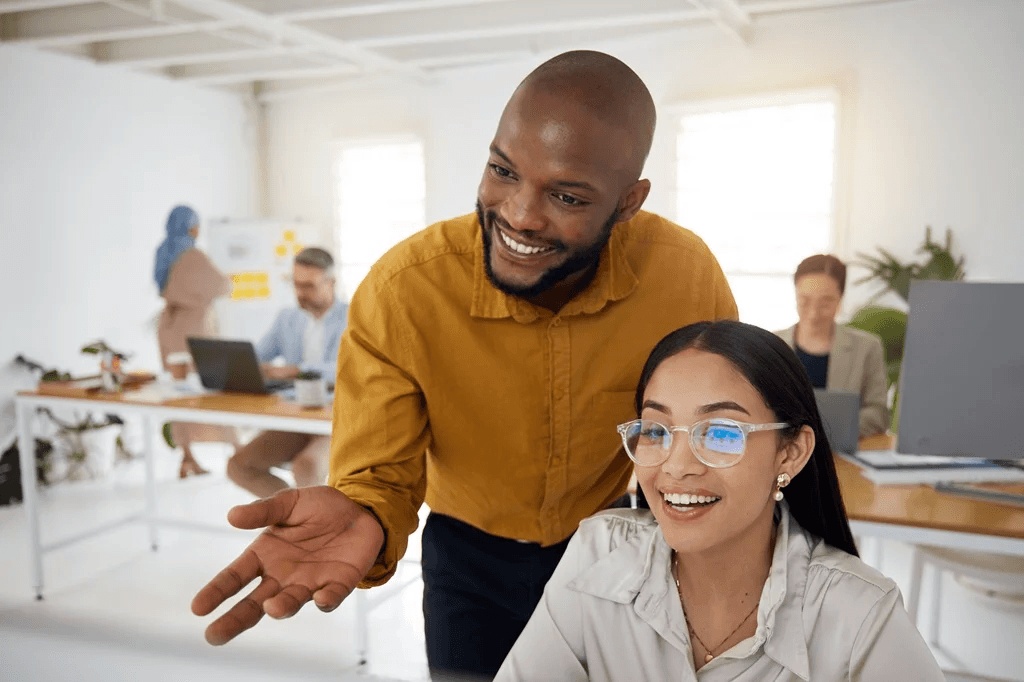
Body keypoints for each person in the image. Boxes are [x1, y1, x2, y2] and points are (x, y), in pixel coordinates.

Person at [191, 50, 737, 678]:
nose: (521, 214)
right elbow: (381, 474)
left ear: (627, 202)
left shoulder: (685, 277)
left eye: (566, 195)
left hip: (612, 547)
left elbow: (716, 433)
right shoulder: (404, 290)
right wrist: (364, 511)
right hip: (466, 561)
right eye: (503, 170)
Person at [496, 320, 945, 680]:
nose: (676, 466)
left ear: (790, 452)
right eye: (656, 430)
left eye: (722, 433)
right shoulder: (597, 553)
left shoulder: (860, 613)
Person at [225, 247, 348, 498]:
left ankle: (309, 527)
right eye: (296, 285)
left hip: (335, 419)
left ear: (331, 282)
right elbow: (258, 355)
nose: (301, 293)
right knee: (238, 466)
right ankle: (295, 516)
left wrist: (296, 371)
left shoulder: (353, 317)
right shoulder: (288, 318)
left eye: (309, 286)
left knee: (307, 467)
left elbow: (348, 370)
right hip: (296, 416)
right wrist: (243, 366)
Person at [154, 205, 238, 478]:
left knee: (179, 395)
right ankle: (239, 450)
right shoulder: (193, 256)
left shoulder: (163, 253)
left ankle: (187, 458)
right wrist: (230, 280)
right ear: (192, 227)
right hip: (195, 331)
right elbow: (222, 286)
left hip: (169, 328)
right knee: (215, 390)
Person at [775, 254, 889, 437]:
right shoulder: (772, 345)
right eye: (804, 301)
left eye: (825, 302)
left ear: (840, 299)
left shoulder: (867, 347)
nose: (813, 313)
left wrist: (836, 430)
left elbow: (878, 412)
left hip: (841, 451)